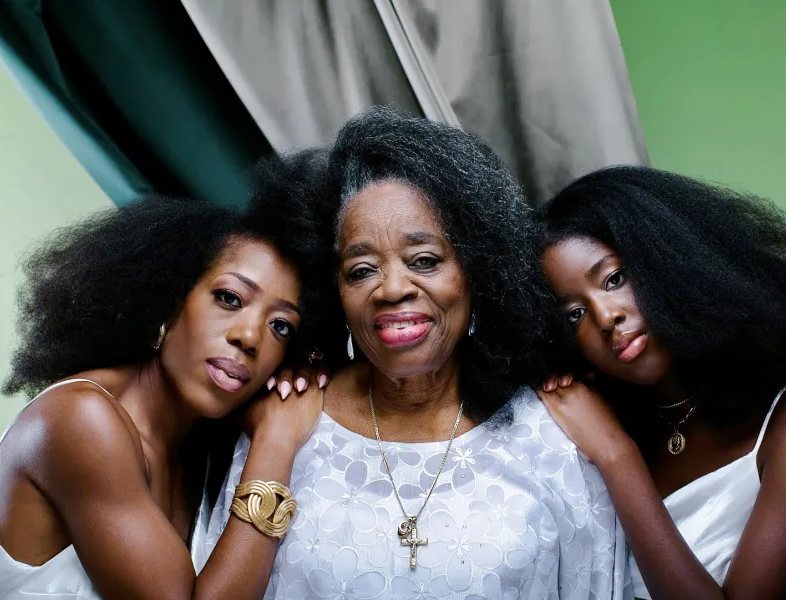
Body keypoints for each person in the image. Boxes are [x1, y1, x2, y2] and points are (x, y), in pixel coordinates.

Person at [201, 108, 629, 599]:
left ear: (476, 271)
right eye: (362, 270)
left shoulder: (553, 435)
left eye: (424, 260)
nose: (392, 289)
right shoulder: (287, 423)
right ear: (332, 288)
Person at [537, 165, 786, 599]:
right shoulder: (600, 422)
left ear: (676, 264)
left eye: (615, 279)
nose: (606, 317)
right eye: (574, 314)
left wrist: (616, 455)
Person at [0, 191, 324, 599]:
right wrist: (277, 438)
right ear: (168, 298)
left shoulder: (201, 451)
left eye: (281, 326)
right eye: (229, 298)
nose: (249, 337)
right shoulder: (80, 420)